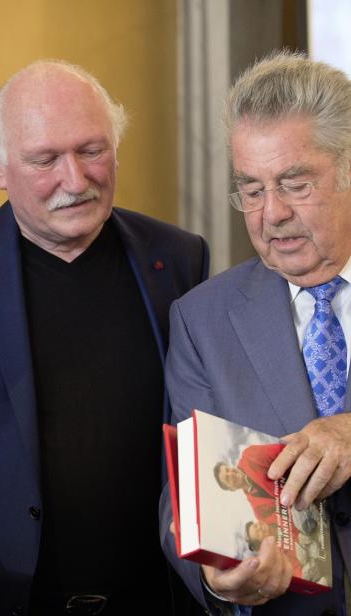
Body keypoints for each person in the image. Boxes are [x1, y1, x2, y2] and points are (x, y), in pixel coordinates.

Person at [0, 60, 208, 615]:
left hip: (157, 596)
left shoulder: (179, 257)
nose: (75, 180)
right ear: (0, 168)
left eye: (92, 150)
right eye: (45, 159)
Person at [161, 51, 351, 614]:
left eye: (294, 184)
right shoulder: (202, 320)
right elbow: (185, 505)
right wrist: (221, 583)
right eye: (251, 189)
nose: (271, 214)